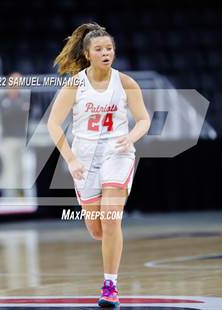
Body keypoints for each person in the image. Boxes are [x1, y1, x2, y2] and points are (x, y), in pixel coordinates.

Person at [47, 23, 150, 308]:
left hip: (118, 154)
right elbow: (53, 124)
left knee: (111, 217)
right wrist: (70, 159)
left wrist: (130, 137)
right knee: (97, 230)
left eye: (109, 49)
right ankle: (110, 247)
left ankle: (110, 286)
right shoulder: (75, 85)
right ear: (87, 53)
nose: (106, 53)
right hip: (84, 158)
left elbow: (143, 120)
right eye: (99, 49)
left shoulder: (126, 82)